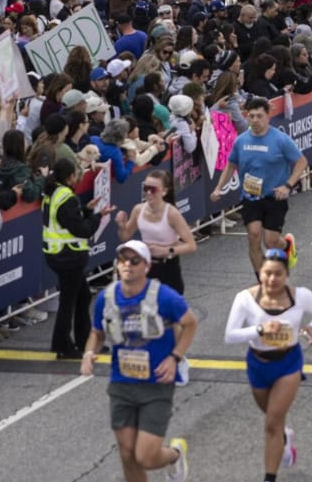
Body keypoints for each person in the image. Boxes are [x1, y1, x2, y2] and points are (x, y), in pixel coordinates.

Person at [79, 241, 196, 482]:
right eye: (123, 260)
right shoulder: (106, 298)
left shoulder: (163, 296)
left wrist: (175, 357)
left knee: (144, 456)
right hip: (122, 383)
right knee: (127, 454)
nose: (127, 266)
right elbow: (97, 333)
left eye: (134, 261)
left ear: (147, 266)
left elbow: (190, 323)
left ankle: (174, 455)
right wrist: (89, 353)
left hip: (156, 384)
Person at [223, 247, 312, 479]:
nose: (272, 279)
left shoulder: (300, 296)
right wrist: (259, 329)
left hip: (288, 362)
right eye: (267, 273)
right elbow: (229, 335)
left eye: (278, 274)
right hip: (258, 364)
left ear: (286, 275)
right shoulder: (245, 299)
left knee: (271, 423)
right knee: (272, 418)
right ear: (260, 273)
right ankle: (284, 437)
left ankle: (269, 477)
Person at [211, 96, 307, 275]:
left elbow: (301, 162)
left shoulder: (280, 139)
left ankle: (286, 244)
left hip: (275, 197)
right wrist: (219, 188)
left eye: (259, 116)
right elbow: (231, 165)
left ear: (268, 116)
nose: (255, 120)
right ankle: (262, 280)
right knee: (254, 236)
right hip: (250, 196)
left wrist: (287, 186)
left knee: (271, 241)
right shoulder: (241, 140)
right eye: (251, 116)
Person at [43, 157, 111, 360]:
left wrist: (87, 210)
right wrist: (96, 217)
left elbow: (67, 220)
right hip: (68, 256)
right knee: (69, 301)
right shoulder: (66, 197)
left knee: (82, 297)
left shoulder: (53, 193)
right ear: (70, 176)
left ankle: (83, 341)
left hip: (58, 254)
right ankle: (63, 345)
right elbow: (82, 229)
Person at [119, 170, 197, 294]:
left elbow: (191, 245)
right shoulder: (138, 210)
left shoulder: (171, 213)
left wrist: (167, 250)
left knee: (169, 309)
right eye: (146, 188)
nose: (148, 193)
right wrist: (122, 227)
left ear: (164, 191)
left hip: (168, 266)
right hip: (145, 265)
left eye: (153, 189)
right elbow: (125, 237)